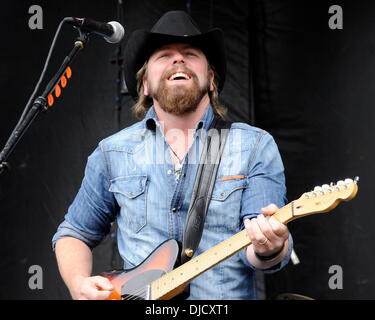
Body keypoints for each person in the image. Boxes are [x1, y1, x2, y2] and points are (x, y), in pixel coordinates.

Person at [52, 10, 293, 300]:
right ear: (144, 85)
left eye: (191, 53)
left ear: (211, 79)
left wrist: (270, 246)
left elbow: (262, 252)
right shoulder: (112, 152)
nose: (178, 59)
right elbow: (74, 233)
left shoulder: (254, 146)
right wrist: (79, 284)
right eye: (163, 55)